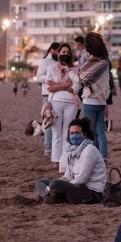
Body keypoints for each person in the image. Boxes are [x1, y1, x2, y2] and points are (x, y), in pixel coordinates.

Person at [35, 118, 107, 205]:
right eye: (71, 133)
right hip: (76, 186)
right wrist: (55, 183)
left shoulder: (89, 150)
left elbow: (82, 179)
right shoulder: (71, 151)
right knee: (41, 182)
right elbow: (67, 176)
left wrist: (56, 186)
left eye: (77, 133)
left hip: (91, 192)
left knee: (55, 185)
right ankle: (53, 196)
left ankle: (52, 196)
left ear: (84, 134)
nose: (74, 135)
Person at [72, 32, 110, 161]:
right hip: (101, 101)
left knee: (90, 131)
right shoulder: (105, 60)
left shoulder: (92, 60)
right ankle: (103, 156)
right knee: (100, 131)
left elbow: (82, 79)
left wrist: (71, 74)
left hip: (90, 99)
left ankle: (93, 157)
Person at [45, 43, 80, 172]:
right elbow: (50, 88)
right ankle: (56, 160)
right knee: (56, 133)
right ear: (58, 53)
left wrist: (61, 82)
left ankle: (65, 161)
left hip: (72, 103)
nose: (65, 54)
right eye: (63, 52)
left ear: (70, 54)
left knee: (67, 133)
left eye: (67, 52)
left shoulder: (75, 69)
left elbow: (76, 87)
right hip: (55, 103)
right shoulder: (51, 68)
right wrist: (66, 85)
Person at [37, 42, 60, 157]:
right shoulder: (45, 61)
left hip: (60, 93)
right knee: (49, 119)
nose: (58, 53)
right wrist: (50, 78)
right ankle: (48, 147)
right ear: (52, 50)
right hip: (47, 93)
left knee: (58, 120)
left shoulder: (60, 61)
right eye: (56, 50)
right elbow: (39, 77)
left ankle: (56, 146)